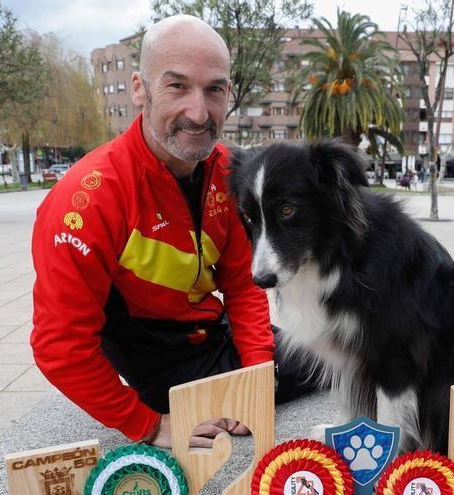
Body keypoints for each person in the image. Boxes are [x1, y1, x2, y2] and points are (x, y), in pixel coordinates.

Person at [30, 15, 310, 450]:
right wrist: (150, 426)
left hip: (216, 334)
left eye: (214, 89)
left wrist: (256, 379)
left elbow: (241, 283)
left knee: (336, 348)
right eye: (177, 86)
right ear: (139, 88)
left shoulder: (229, 171)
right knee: (331, 362)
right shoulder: (85, 201)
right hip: (159, 364)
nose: (199, 113)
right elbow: (59, 346)